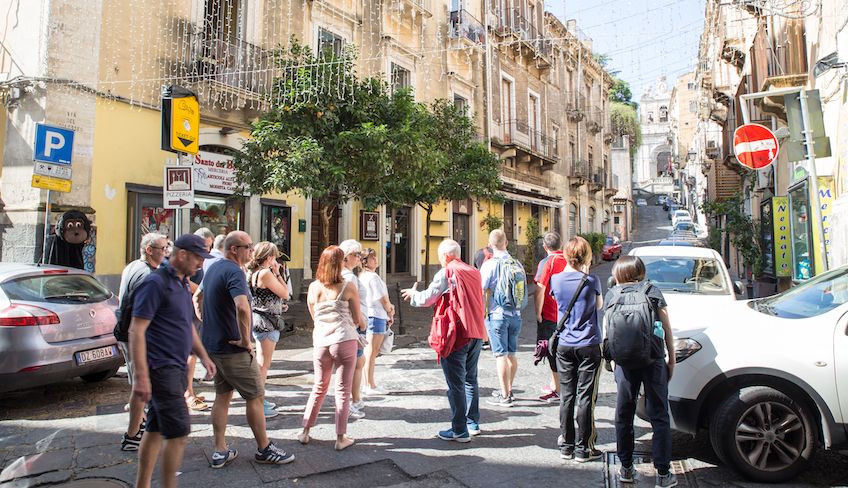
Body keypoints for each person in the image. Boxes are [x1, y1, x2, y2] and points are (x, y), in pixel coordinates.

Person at [193, 231, 295, 468]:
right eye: (247, 246)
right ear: (233, 249)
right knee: (256, 396)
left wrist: (207, 325)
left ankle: (220, 450)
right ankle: (264, 449)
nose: (251, 250)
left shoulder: (215, 267)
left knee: (222, 396)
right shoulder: (234, 271)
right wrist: (245, 340)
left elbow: (197, 297)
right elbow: (242, 307)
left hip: (214, 345)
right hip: (232, 348)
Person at [129, 234, 217, 488]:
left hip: (176, 367)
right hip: (160, 367)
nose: (201, 264)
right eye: (198, 258)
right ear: (182, 255)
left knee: (155, 428)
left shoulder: (181, 283)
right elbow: (137, 330)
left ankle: (142, 484)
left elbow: (187, 325)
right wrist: (142, 377)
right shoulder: (155, 283)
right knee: (179, 432)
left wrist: (202, 355)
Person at [402, 239, 486, 442]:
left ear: (446, 256)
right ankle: (472, 423)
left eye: (440, 257)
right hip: (476, 331)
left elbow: (428, 298)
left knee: (455, 382)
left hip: (456, 334)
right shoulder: (474, 272)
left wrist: (413, 295)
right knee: (470, 379)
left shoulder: (447, 272)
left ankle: (459, 430)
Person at [607, 256, 677, 487]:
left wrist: (612, 358)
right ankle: (664, 474)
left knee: (624, 414)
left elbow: (607, 331)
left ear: (620, 273)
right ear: (641, 272)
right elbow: (666, 327)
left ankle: (626, 468)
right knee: (659, 415)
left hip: (624, 362)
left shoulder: (612, 295)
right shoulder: (652, 291)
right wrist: (671, 359)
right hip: (653, 359)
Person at [298, 246, 363, 451]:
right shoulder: (348, 286)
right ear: (340, 263)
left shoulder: (313, 287)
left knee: (319, 387)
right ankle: (340, 437)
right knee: (343, 390)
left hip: (321, 341)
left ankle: (305, 431)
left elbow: (313, 314)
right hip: (344, 339)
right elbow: (358, 318)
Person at [549, 236, 604, 462]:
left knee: (567, 396)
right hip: (588, 343)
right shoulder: (591, 281)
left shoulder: (555, 280)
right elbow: (599, 306)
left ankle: (566, 445)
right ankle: (583, 449)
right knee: (585, 397)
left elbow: (558, 303)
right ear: (586, 255)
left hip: (565, 343)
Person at [116, 232, 168, 451]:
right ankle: (132, 435)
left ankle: (141, 423)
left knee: (141, 384)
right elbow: (142, 312)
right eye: (162, 249)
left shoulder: (133, 267)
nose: (165, 253)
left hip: (128, 332)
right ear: (149, 250)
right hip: (137, 335)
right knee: (141, 385)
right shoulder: (146, 275)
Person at [480, 229, 528, 408]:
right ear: (506, 243)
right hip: (516, 314)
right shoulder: (517, 263)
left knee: (500, 355)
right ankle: (509, 388)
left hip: (497, 314)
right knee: (511, 354)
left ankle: (504, 395)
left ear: (490, 244)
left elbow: (482, 288)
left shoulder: (489, 264)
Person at [246, 241, 290, 419]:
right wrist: (278, 274)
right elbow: (286, 293)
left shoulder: (253, 272)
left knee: (262, 364)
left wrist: (278, 305)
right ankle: (259, 403)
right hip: (267, 323)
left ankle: (260, 399)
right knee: (263, 365)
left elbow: (264, 298)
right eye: (274, 257)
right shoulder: (265, 273)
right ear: (270, 257)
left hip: (260, 318)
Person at [534, 232, 567, 403]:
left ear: (545, 247)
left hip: (551, 313)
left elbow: (540, 289)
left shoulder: (547, 262)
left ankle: (557, 388)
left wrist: (538, 312)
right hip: (568, 314)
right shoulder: (569, 259)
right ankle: (559, 384)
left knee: (552, 351)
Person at [185, 227, 215, 413]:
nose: (208, 252)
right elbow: (187, 283)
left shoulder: (197, 261)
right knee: (188, 356)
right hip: (188, 313)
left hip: (192, 315)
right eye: (206, 247)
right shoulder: (188, 262)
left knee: (192, 354)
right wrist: (204, 290)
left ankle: (188, 392)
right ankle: (187, 394)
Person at [358, 248, 395, 395]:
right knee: (371, 353)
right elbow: (383, 298)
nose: (376, 259)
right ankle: (369, 384)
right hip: (377, 315)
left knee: (370, 352)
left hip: (370, 314)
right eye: (373, 258)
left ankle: (368, 383)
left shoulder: (362, 276)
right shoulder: (373, 278)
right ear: (365, 261)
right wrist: (390, 311)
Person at [338, 239, 368, 419]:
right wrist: (361, 322)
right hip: (355, 325)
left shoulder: (346, 275)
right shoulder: (349, 277)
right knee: (355, 365)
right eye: (356, 255)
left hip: (352, 325)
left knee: (359, 362)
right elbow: (352, 304)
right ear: (346, 257)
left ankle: (355, 399)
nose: (359, 258)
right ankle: (352, 401)